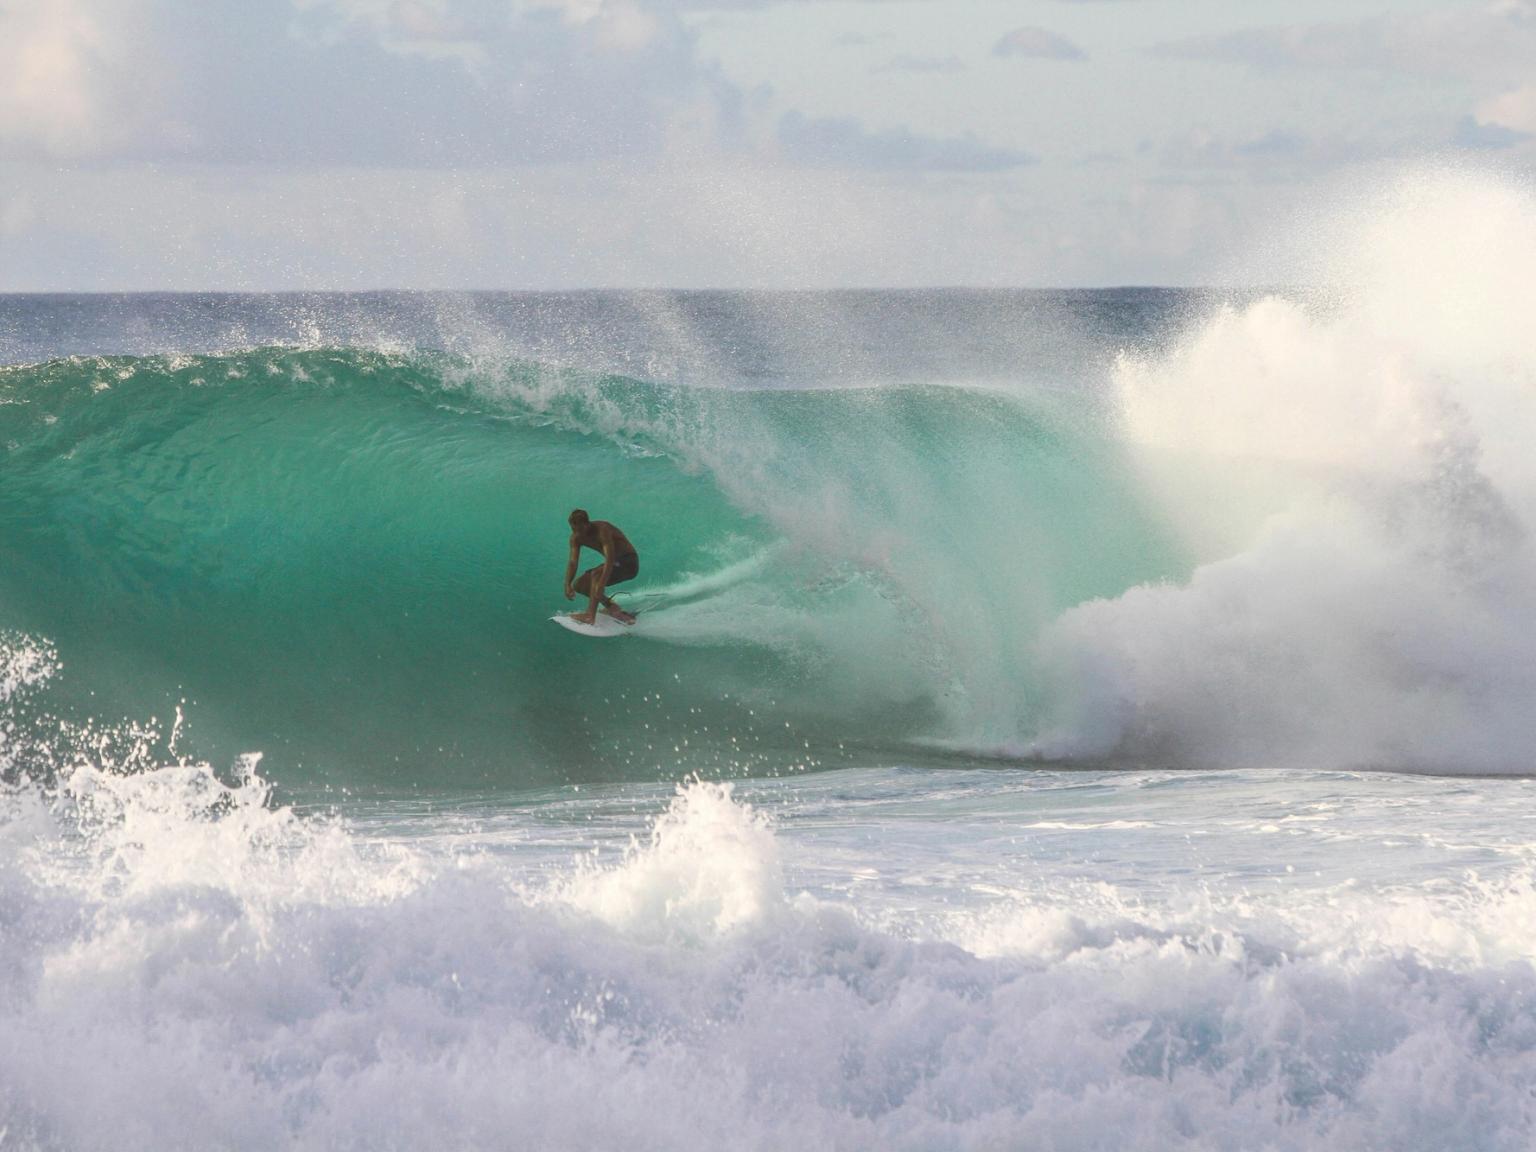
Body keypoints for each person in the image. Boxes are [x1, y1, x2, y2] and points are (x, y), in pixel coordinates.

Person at [563, 508, 639, 625]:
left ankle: (589, 616)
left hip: (629, 562)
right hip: (615, 564)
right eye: (573, 529)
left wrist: (601, 584)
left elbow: (610, 558)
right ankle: (612, 607)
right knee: (580, 585)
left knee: (596, 575)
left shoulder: (602, 529)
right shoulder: (576, 538)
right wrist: (567, 584)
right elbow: (573, 562)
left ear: (587, 524)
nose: (577, 532)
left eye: (580, 529)